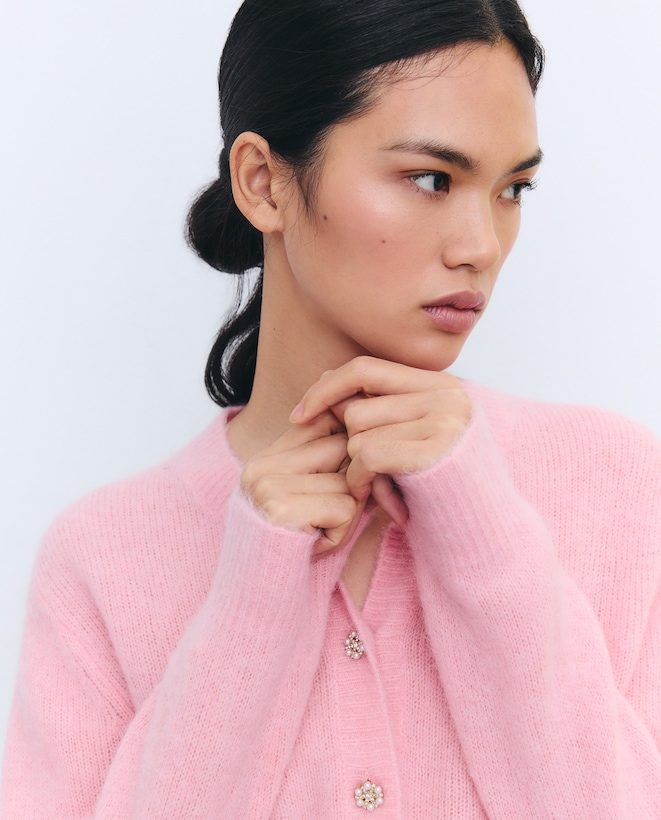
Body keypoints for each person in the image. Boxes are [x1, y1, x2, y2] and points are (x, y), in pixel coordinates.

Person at [2, 0, 661, 816]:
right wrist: (252, 600)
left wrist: (481, 528)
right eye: (430, 179)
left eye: (512, 189)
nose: (481, 245)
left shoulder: (620, 488)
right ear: (262, 182)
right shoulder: (102, 558)